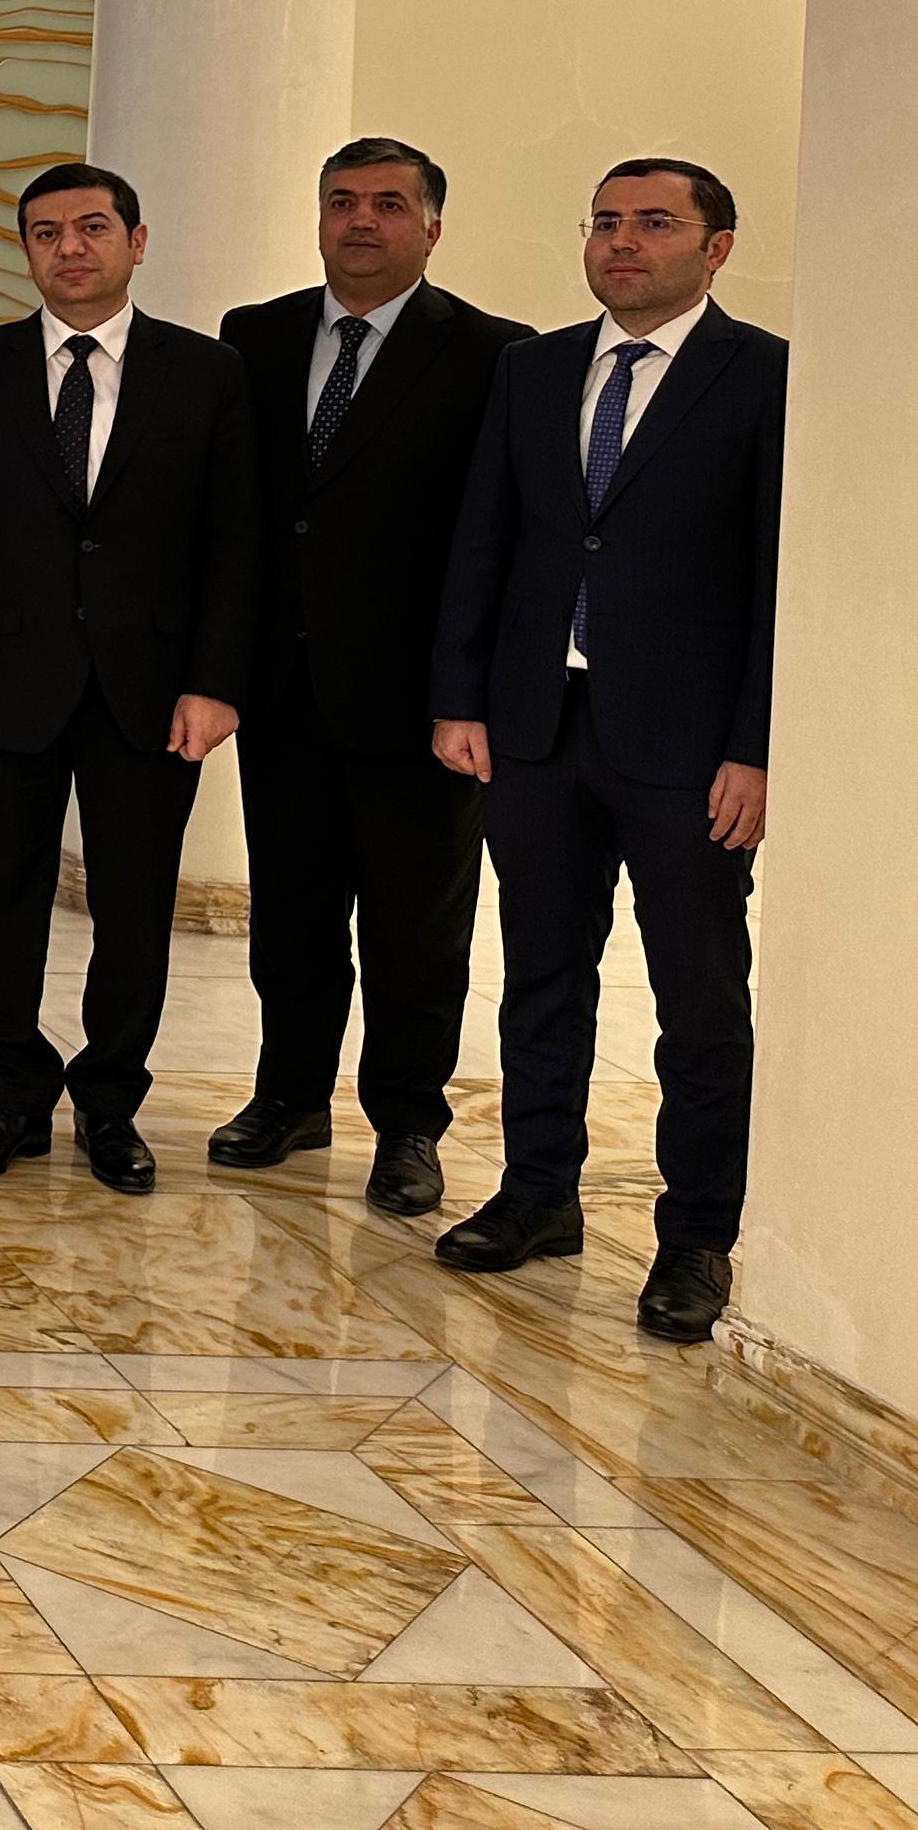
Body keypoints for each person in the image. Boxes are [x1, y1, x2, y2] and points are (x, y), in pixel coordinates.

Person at [430, 158, 786, 1343]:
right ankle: (539, 1193)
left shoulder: (766, 376)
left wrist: (757, 747)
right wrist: (461, 697)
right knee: (541, 976)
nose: (623, 242)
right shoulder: (532, 370)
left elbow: (778, 579)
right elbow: (485, 539)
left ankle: (697, 1235)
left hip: (689, 748)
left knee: (698, 997)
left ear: (716, 247)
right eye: (606, 223)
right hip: (537, 727)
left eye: (654, 223)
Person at [0, 161, 259, 1193]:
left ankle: (110, 1102)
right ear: (25, 250)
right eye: (47, 232)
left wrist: (217, 682)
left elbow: (236, 540)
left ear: (136, 243)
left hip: (151, 690)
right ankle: (10, 1093)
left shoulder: (207, 374)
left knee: (135, 907)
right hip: (0, 685)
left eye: (93, 227)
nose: (70, 247)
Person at [213, 140, 530, 1214]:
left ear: (432, 228)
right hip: (284, 687)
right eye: (341, 201)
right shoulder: (255, 337)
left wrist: (470, 692)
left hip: (421, 702)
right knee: (291, 915)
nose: (361, 220)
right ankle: (289, 1098)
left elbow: (497, 534)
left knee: (417, 931)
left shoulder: (493, 353)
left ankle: (408, 1126)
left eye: (389, 204)